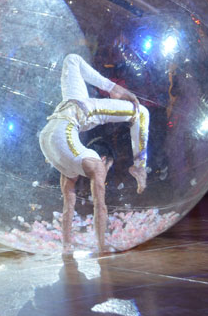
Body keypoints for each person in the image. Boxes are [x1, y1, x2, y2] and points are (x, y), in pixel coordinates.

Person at [39, 53, 150, 252]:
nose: (106, 172)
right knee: (141, 112)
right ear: (104, 158)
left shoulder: (73, 164)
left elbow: (68, 209)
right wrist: (102, 246)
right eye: (109, 167)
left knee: (72, 59)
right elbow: (100, 206)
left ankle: (67, 244)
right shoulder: (96, 165)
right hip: (69, 124)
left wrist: (67, 247)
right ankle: (140, 167)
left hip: (50, 133)